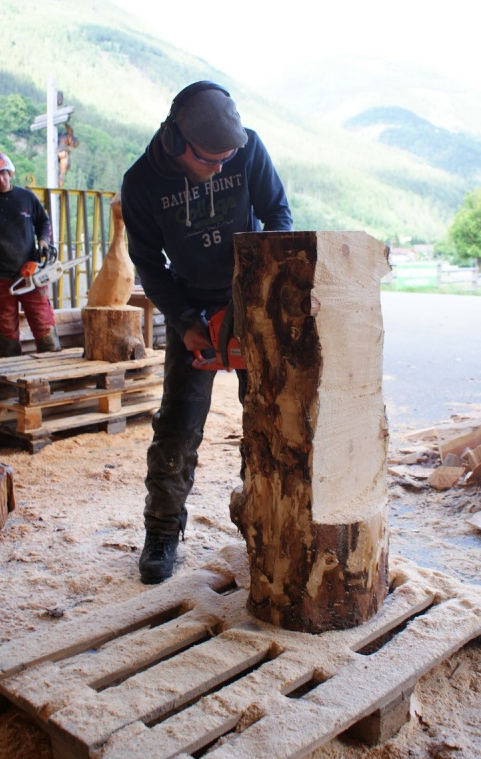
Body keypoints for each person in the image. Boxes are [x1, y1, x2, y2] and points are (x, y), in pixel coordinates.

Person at [122, 80, 293, 584]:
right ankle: (162, 530)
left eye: (227, 158)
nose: (221, 167)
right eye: (210, 160)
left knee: (268, 418)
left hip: (250, 296)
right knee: (178, 423)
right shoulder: (141, 183)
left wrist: (258, 290)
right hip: (191, 302)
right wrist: (183, 322)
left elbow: (278, 215)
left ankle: (265, 523)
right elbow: (149, 264)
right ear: (176, 141)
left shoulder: (248, 148)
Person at [0, 151, 61, 356]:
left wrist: (44, 241)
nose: (2, 179)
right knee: (6, 330)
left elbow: (43, 222)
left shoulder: (26, 197)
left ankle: (53, 365)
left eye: (3, 173)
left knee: (43, 322)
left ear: (10, 172)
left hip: (30, 272)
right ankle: (11, 370)